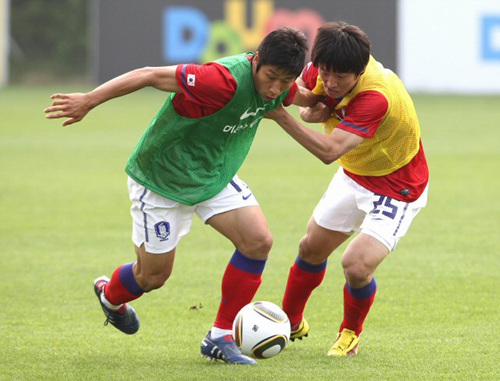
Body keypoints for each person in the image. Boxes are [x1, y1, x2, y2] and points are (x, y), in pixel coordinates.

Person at [44, 27, 314, 365]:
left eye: (285, 81)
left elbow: (301, 96)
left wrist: (331, 100)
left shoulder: (281, 88)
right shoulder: (221, 80)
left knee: (258, 241)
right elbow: (148, 75)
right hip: (162, 177)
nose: (274, 88)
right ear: (256, 60)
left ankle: (220, 336)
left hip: (214, 175)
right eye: (271, 77)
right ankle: (110, 296)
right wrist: (89, 99)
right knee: (152, 277)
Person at [265, 21, 429, 356]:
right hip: (355, 172)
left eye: (341, 76)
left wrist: (282, 116)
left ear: (360, 69)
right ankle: (290, 321)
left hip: (396, 185)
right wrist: (311, 106)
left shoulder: (376, 96)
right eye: (326, 72)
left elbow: (328, 151)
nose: (331, 82)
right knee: (311, 248)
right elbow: (307, 95)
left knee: (356, 266)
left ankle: (350, 334)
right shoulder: (323, 68)